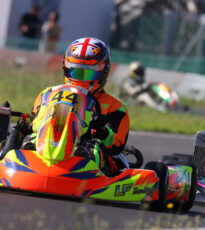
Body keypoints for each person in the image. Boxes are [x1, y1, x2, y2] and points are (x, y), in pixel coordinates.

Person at [29, 37, 130, 172]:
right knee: (28, 139)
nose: (80, 79)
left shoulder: (114, 106)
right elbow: (34, 126)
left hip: (87, 152)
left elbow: (116, 145)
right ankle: (12, 158)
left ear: (103, 72)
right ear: (66, 69)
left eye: (88, 73)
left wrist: (102, 131)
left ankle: (85, 168)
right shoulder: (47, 94)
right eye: (76, 72)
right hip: (47, 144)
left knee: (92, 149)